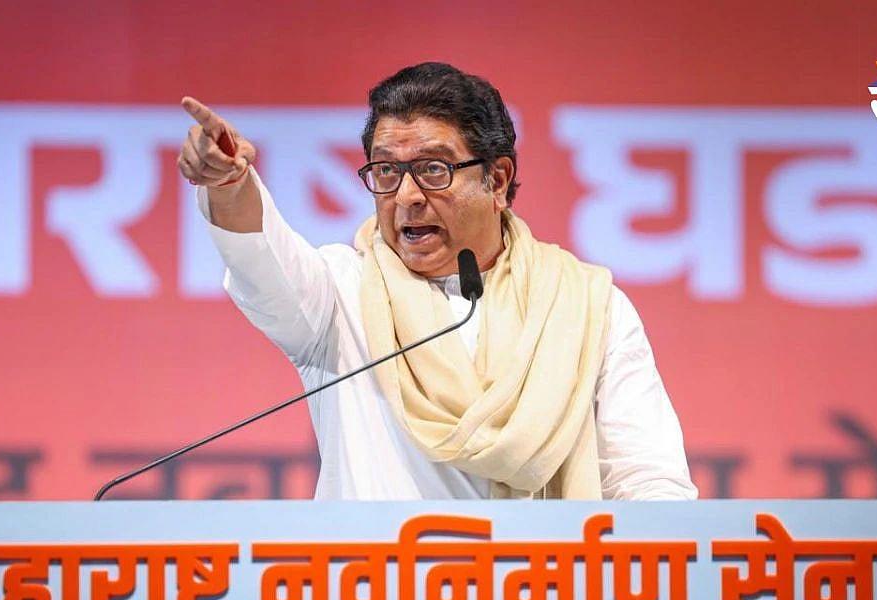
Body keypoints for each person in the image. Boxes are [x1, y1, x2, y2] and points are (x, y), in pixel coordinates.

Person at [177, 62, 697, 500]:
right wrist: (229, 183)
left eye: (432, 169)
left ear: (496, 180)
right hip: (379, 587)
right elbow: (262, 263)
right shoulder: (343, 294)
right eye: (386, 171)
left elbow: (647, 478)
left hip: (544, 585)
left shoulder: (586, 308)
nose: (406, 196)